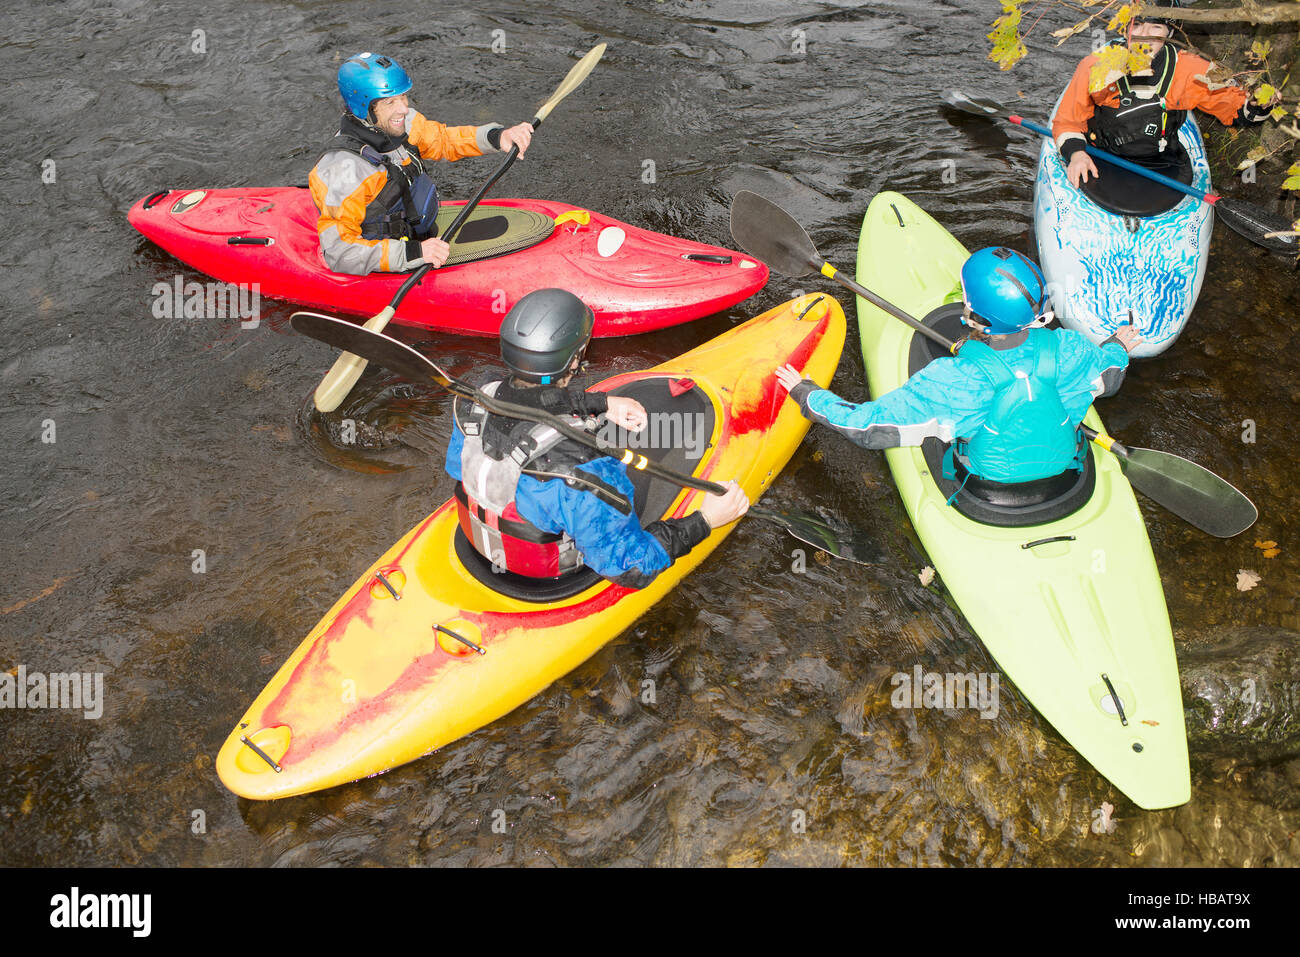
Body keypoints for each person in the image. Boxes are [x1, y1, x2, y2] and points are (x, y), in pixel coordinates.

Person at [445, 288, 749, 588]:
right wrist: (705, 520)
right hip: (548, 574)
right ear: (575, 360)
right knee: (635, 477)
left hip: (482, 540)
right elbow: (632, 568)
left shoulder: (473, 404)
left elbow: (532, 405)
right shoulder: (587, 472)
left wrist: (600, 404)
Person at [775, 248, 1143, 488]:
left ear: (978, 317)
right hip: (1063, 463)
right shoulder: (1072, 348)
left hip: (989, 477)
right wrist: (1118, 345)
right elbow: (1110, 377)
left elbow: (868, 428)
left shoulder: (950, 381)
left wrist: (808, 395)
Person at [309, 52, 535, 275]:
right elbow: (340, 252)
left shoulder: (400, 123)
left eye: (403, 97)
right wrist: (413, 253)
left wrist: (498, 137)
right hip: (387, 260)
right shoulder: (344, 171)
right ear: (363, 108)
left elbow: (444, 140)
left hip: (417, 235)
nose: (404, 109)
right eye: (390, 102)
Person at [1053, 0, 1273, 188]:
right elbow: (1068, 123)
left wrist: (1258, 104)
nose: (1142, 36)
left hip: (1162, 159)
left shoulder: (1190, 70)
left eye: (1156, 28)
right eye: (1137, 25)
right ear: (1126, 27)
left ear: (1170, 33)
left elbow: (1237, 111)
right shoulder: (1095, 66)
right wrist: (1076, 153)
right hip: (1101, 154)